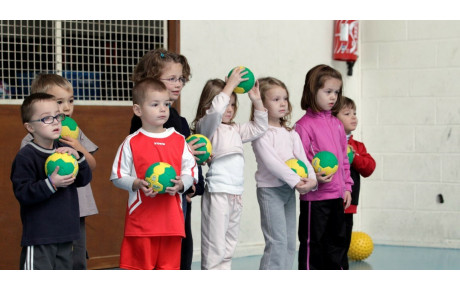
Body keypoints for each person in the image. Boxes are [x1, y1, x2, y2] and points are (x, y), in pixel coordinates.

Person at [110, 78, 198, 270]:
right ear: (138, 110)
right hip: (141, 225)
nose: (163, 109)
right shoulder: (131, 142)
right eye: (155, 104)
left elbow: (191, 171)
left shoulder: (179, 140)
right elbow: (117, 176)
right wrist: (136, 183)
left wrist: (181, 184)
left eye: (166, 104)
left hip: (172, 224)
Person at [129, 48, 205, 270]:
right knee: (161, 260)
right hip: (157, 207)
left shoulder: (178, 120)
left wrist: (191, 187)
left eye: (181, 78)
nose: (178, 84)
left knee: (182, 255)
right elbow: (145, 161)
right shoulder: (143, 120)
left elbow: (188, 165)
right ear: (151, 81)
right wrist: (183, 151)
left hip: (178, 200)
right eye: (171, 78)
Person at [190, 68, 268, 270]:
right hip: (217, 193)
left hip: (236, 194)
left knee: (228, 247)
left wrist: (257, 100)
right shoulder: (207, 127)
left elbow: (260, 128)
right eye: (226, 103)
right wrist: (230, 85)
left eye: (233, 104)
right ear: (209, 104)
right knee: (214, 246)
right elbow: (216, 112)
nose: (229, 109)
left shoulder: (235, 129)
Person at [20, 74, 98, 269]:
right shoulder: (28, 147)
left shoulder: (75, 132)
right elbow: (25, 188)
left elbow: (90, 168)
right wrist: (52, 181)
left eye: (70, 101)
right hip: (45, 217)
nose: (66, 108)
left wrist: (78, 149)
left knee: (76, 260)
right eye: (59, 102)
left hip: (74, 210)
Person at [250, 77, 318, 270]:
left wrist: (312, 179)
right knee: (276, 242)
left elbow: (303, 160)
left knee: (289, 243)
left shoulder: (291, 133)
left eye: (285, 98)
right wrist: (296, 180)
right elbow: (273, 164)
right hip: (270, 191)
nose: (283, 103)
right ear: (262, 104)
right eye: (276, 99)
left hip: (288, 191)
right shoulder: (261, 133)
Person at [294, 64, 353, 270]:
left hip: (336, 196)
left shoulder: (337, 124)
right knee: (313, 246)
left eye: (336, 92)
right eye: (328, 91)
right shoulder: (303, 126)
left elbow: (344, 160)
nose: (333, 97)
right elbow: (301, 162)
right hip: (315, 200)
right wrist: (314, 178)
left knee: (336, 244)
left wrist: (346, 187)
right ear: (313, 91)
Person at [333, 96, 376, 269]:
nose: (354, 117)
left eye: (355, 113)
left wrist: (353, 155)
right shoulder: (329, 143)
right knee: (329, 241)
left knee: (343, 240)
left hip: (348, 204)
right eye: (347, 113)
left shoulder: (357, 146)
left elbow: (369, 168)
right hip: (328, 201)